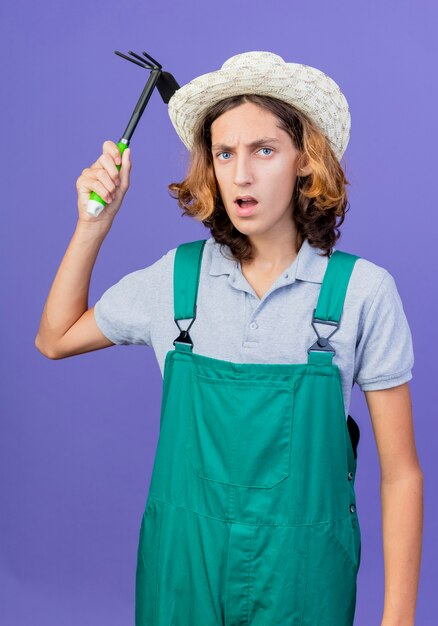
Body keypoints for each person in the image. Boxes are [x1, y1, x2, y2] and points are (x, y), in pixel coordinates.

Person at [35, 51, 423, 625]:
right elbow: (56, 337)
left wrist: (399, 619)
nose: (241, 174)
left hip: (303, 585)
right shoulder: (175, 281)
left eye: (263, 150)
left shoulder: (362, 292)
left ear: (303, 162)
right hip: (182, 578)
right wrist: (93, 225)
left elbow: (401, 474)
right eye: (224, 153)